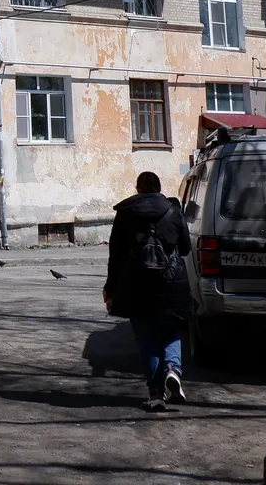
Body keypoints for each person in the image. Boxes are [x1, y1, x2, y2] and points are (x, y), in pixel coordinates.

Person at [104, 171, 194, 410]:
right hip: (172, 281)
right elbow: (184, 248)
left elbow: (116, 255)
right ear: (159, 186)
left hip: (136, 284)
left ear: (138, 188)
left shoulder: (126, 213)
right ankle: (173, 370)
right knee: (171, 330)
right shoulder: (173, 210)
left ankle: (155, 393)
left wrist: (110, 287)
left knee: (146, 336)